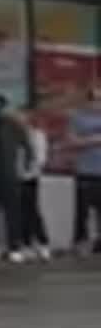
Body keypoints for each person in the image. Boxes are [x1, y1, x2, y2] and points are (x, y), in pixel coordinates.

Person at [0, 93, 31, 264]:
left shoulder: (13, 125)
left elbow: (27, 146)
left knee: (12, 212)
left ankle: (14, 247)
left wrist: (26, 167)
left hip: (9, 174)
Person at [68, 88, 101, 254]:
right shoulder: (77, 117)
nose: (96, 103)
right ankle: (80, 242)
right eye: (93, 100)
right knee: (82, 211)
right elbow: (72, 141)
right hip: (85, 170)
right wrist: (94, 140)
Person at [19, 110, 50, 260]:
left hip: (30, 177)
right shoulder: (15, 136)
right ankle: (26, 244)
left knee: (32, 211)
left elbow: (41, 158)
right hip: (16, 178)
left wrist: (30, 170)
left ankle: (43, 243)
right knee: (20, 212)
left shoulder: (37, 135)